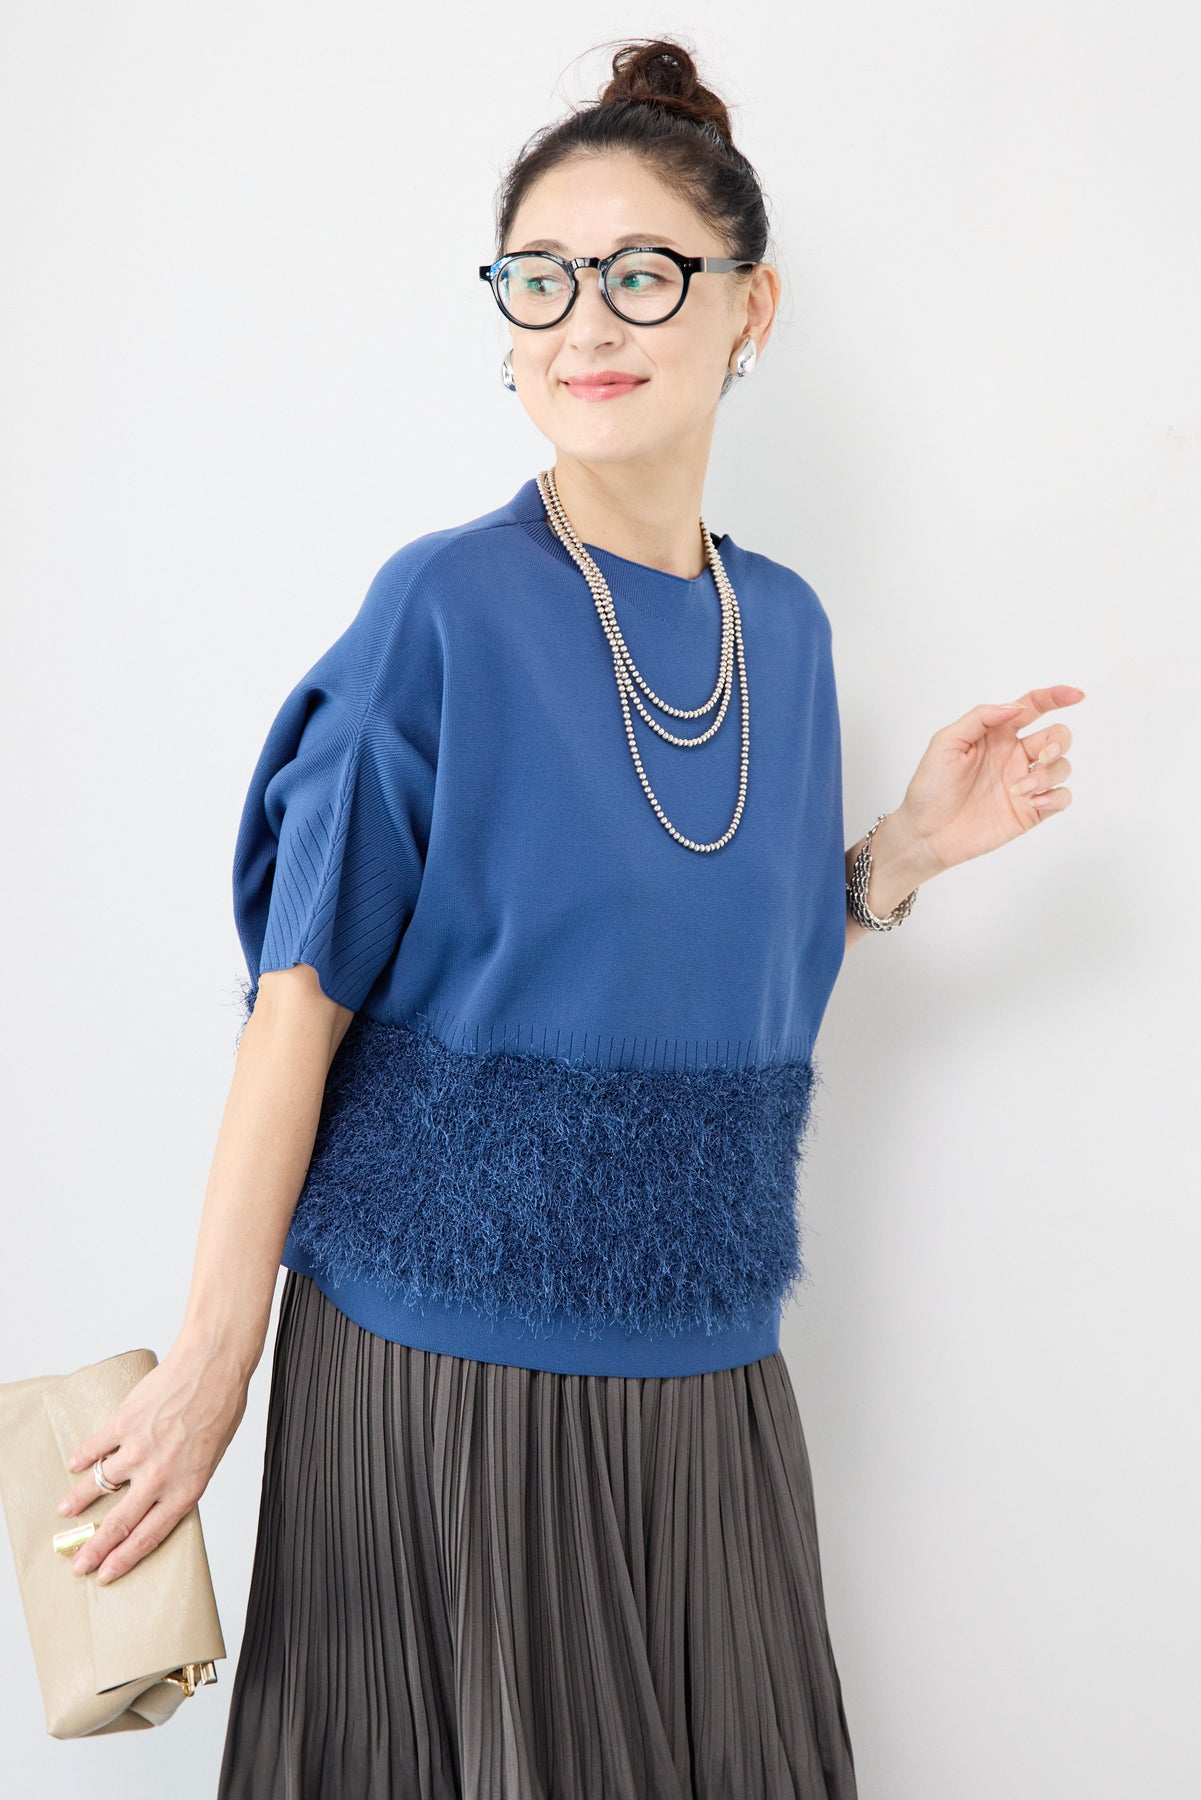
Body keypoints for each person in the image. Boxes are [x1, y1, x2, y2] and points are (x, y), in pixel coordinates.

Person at [52, 35, 1083, 1800]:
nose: (585, 321)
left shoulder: (788, 632)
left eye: (639, 274)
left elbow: (714, 988)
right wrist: (216, 1364)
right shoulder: (441, 610)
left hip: (711, 1377)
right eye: (541, 278)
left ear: (749, 310)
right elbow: (296, 1001)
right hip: (441, 1382)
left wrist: (897, 858)